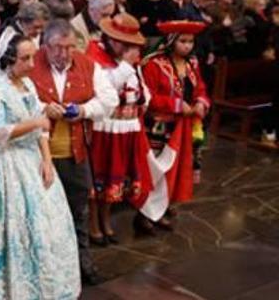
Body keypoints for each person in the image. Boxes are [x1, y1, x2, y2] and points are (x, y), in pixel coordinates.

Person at [0, 34, 81, 300]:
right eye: (25, 58)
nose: (32, 64)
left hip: (32, 159)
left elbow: (42, 128)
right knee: (10, 231)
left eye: (33, 57)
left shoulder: (29, 85)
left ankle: (46, 297)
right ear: (8, 59)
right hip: (5, 165)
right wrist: (36, 121)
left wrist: (46, 159)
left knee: (45, 228)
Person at [28, 19, 118, 286]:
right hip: (36, 155)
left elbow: (109, 99)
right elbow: (13, 99)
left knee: (77, 209)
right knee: (41, 214)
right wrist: (43, 108)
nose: (64, 54)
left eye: (69, 47)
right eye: (57, 48)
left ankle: (82, 261)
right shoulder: (30, 62)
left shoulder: (88, 65)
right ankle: (44, 269)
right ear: (45, 45)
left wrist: (83, 111)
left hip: (74, 151)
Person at [86, 14, 152, 245]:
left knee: (117, 175)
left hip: (127, 128)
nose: (128, 49)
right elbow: (106, 90)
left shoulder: (130, 63)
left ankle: (106, 219)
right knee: (99, 176)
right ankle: (93, 221)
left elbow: (143, 92)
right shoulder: (95, 56)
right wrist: (125, 66)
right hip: (104, 128)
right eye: (124, 43)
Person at [138, 21, 210, 231]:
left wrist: (200, 102)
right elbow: (148, 97)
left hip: (185, 126)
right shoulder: (153, 64)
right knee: (156, 171)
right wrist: (177, 105)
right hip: (159, 126)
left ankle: (162, 207)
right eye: (183, 41)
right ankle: (144, 214)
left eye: (191, 42)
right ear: (171, 41)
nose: (187, 46)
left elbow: (201, 89)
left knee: (176, 170)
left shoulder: (192, 64)